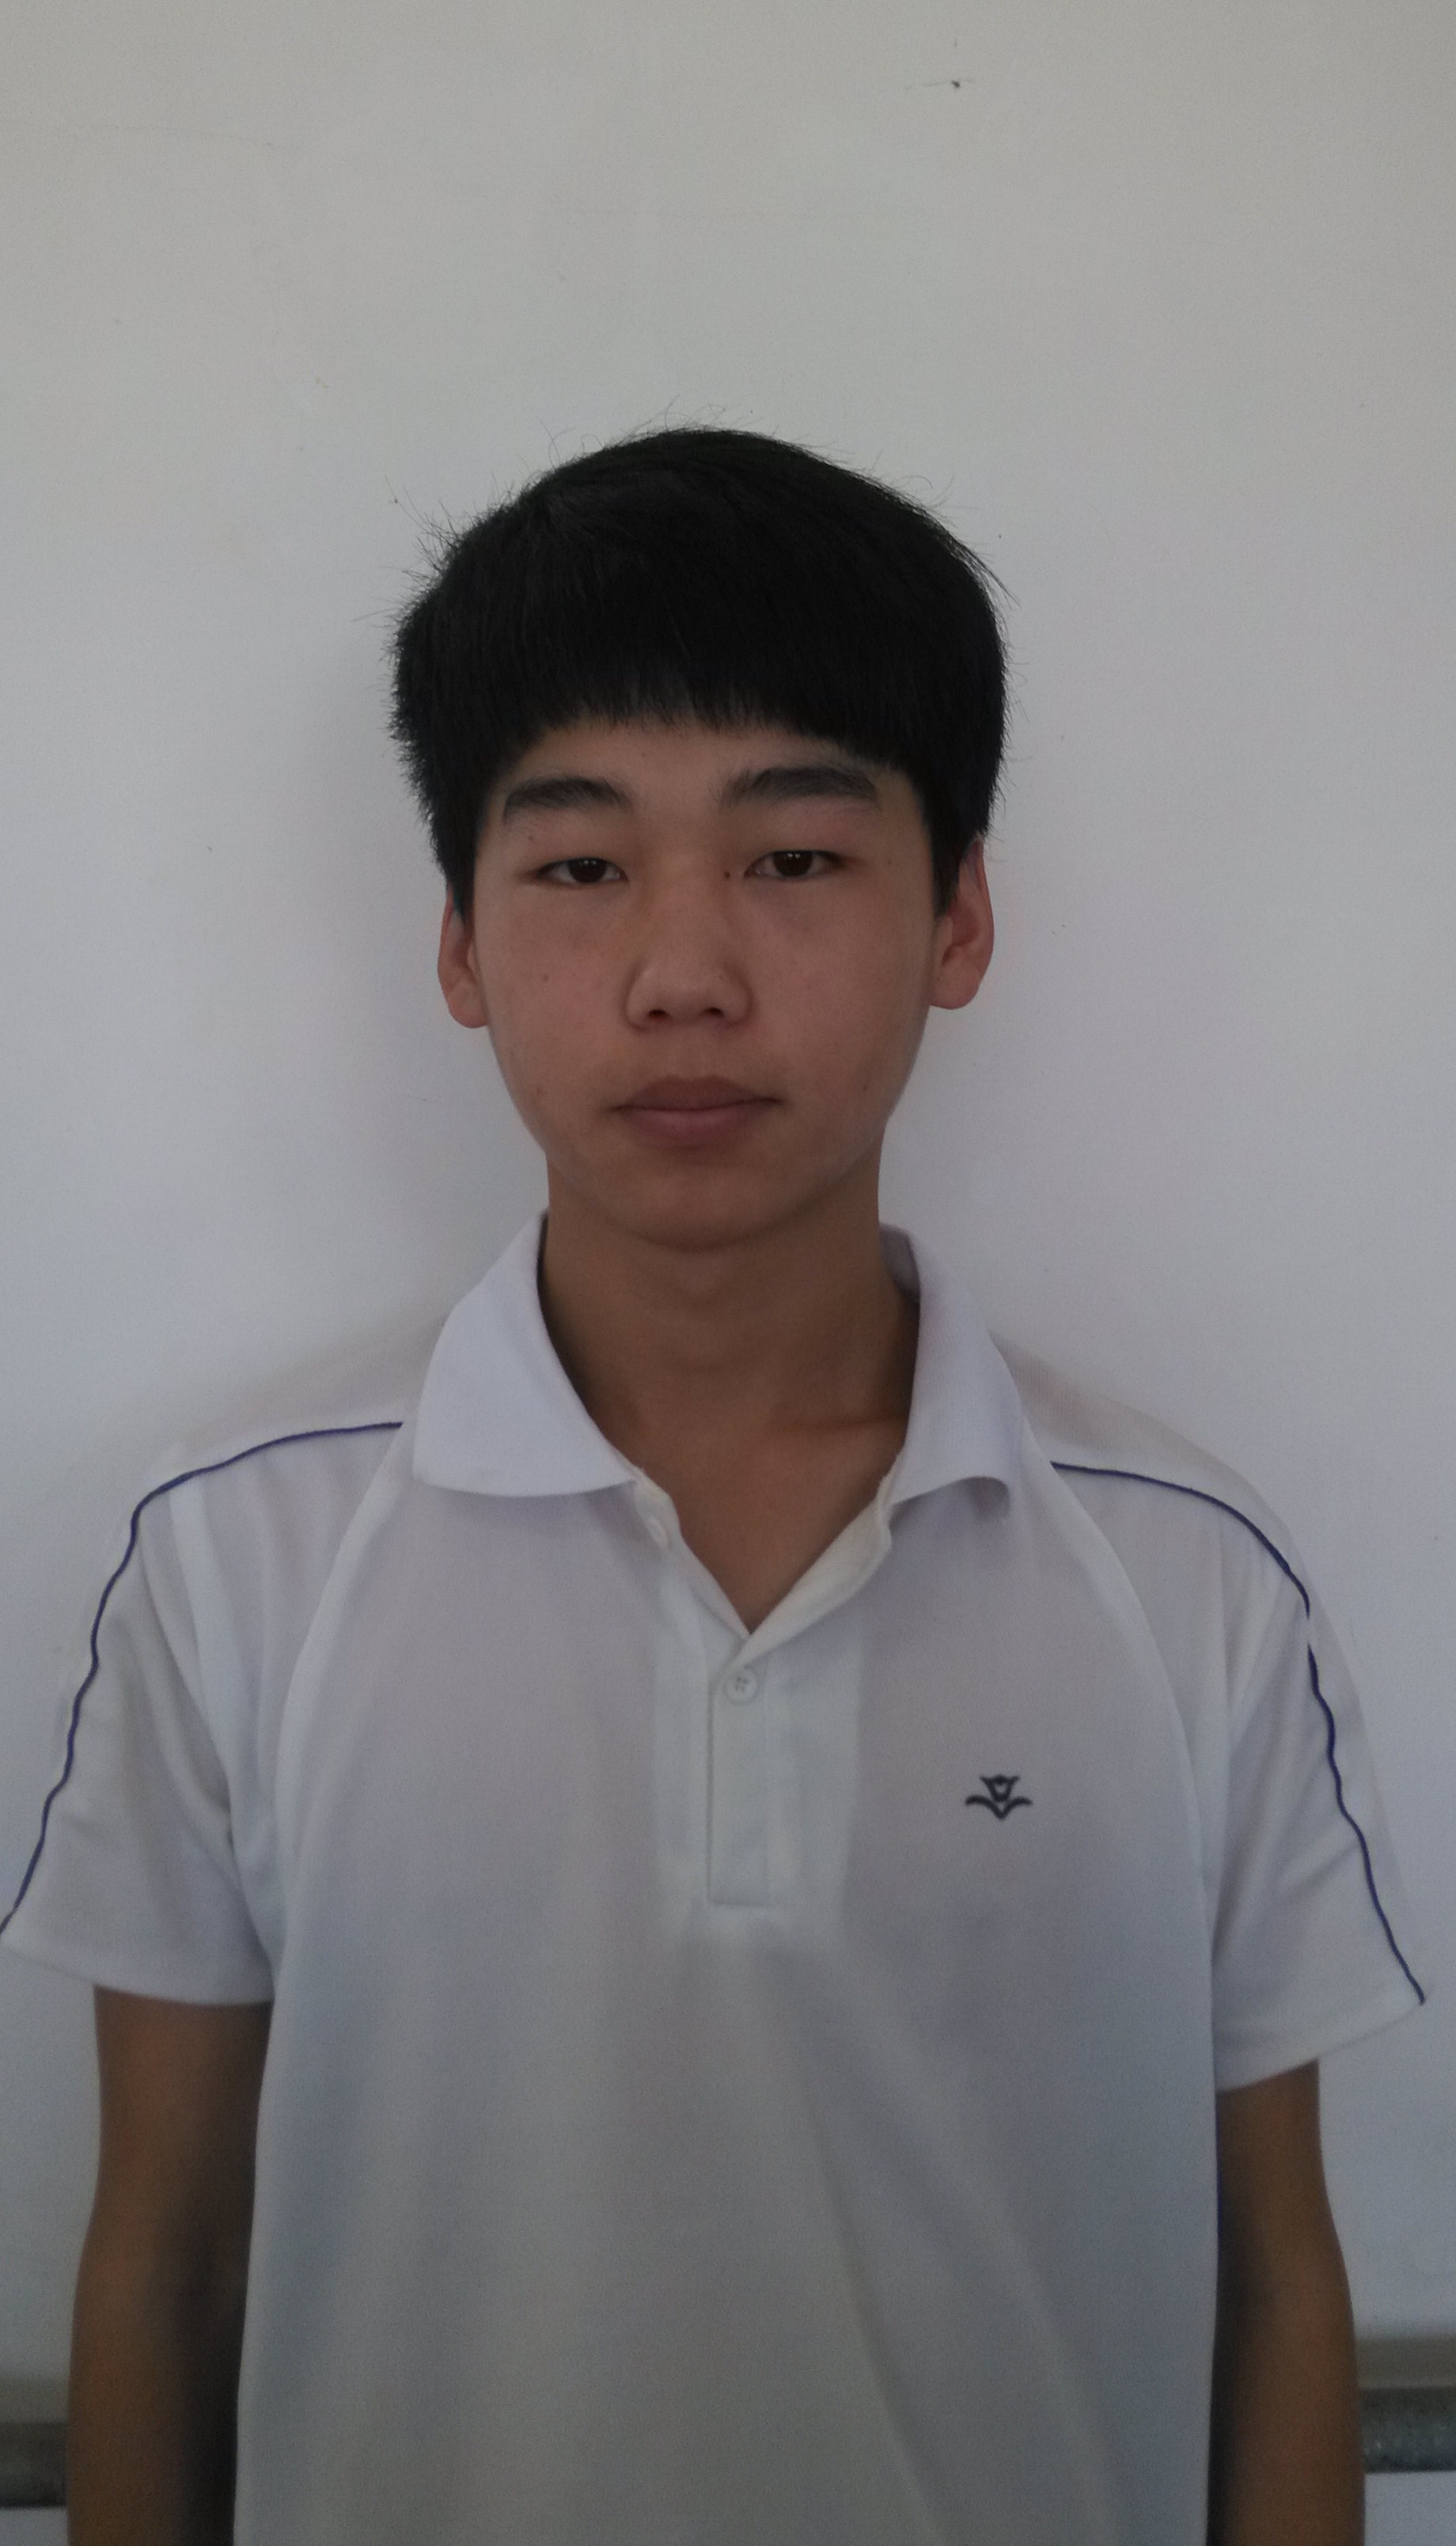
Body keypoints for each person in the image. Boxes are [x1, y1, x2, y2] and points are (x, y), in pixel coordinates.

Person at [2, 426, 1426, 2545]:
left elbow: (1275, 2283)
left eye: (796, 856)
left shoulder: (1185, 1580)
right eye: (581, 867)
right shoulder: (235, 1558)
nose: (686, 973)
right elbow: (166, 2262)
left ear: (957, 918)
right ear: (461, 947)